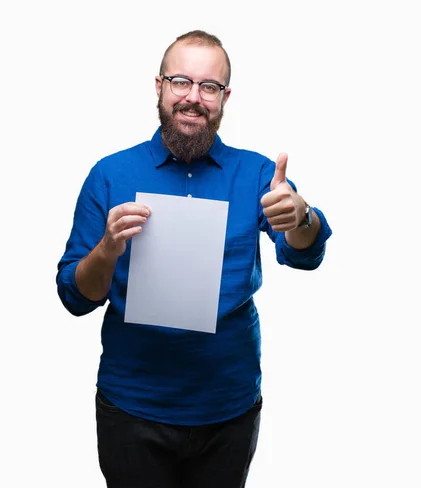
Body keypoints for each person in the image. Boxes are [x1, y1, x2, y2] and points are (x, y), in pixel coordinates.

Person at [56, 29, 332, 488]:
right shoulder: (110, 175)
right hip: (132, 409)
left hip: (229, 409)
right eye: (181, 81)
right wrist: (107, 250)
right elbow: (74, 297)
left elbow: (305, 255)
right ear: (159, 86)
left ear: (225, 97)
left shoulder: (259, 174)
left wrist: (302, 216)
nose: (193, 97)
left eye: (209, 86)